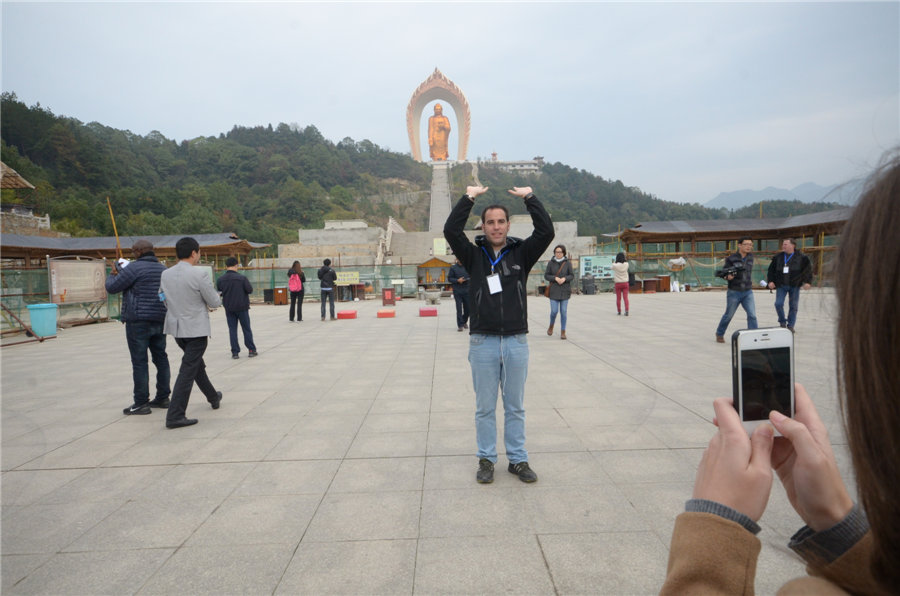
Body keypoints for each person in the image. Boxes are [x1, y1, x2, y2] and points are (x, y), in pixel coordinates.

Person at [660, 154, 900, 594]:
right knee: (745, 319)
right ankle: (734, 335)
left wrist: (714, 526)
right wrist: (838, 521)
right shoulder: (747, 260)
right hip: (742, 292)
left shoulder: (792, 259)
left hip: (757, 295)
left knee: (754, 325)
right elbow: (754, 272)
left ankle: (751, 339)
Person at [443, 185, 554, 484]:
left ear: (508, 224)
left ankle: (517, 460)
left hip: (516, 340)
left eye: (501, 221)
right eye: (490, 222)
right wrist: (468, 198)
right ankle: (487, 459)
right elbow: (451, 230)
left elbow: (546, 233)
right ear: (483, 225)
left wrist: (531, 197)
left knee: (515, 406)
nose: (495, 226)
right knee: (484, 407)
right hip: (483, 342)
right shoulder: (472, 255)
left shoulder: (522, 253)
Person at [159, 237, 223, 429]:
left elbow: (162, 297)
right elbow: (214, 302)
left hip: (177, 329)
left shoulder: (166, 274)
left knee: (195, 365)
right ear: (194, 253)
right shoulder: (199, 275)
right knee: (188, 370)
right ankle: (175, 415)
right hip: (196, 329)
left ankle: (213, 396)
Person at [105, 239, 171, 415]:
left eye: (133, 251)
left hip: (138, 320)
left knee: (140, 361)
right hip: (160, 318)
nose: (132, 254)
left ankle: (141, 402)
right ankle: (163, 397)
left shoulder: (133, 268)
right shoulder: (163, 269)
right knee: (161, 358)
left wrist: (113, 273)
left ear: (139, 251)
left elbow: (112, 288)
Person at [714, 236, 758, 343]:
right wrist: (728, 277)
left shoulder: (751, 257)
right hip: (734, 291)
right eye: (746, 244)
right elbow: (724, 272)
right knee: (729, 315)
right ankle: (719, 333)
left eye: (750, 245)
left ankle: (754, 336)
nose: (749, 247)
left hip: (748, 291)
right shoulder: (731, 259)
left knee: (752, 315)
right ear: (739, 245)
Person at [766, 238, 813, 332]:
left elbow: (807, 270)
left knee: (793, 306)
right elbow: (771, 270)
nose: (783, 246)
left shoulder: (802, 257)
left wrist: (807, 282)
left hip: (795, 285)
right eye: (783, 244)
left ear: (793, 245)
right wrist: (771, 281)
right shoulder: (778, 257)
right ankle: (782, 322)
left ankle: (791, 325)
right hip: (781, 285)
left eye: (786, 244)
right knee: (778, 304)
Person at [216, 257, 257, 359]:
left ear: (226, 266)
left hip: (229, 308)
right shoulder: (242, 278)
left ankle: (235, 352)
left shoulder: (220, 279)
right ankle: (251, 350)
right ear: (236, 265)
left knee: (232, 330)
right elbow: (250, 290)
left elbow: (219, 291)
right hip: (242, 307)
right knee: (246, 329)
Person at [544, 244, 574, 339]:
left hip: (565, 290)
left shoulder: (568, 263)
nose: (558, 254)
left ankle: (563, 331)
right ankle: (551, 326)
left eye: (560, 252)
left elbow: (572, 275)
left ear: (563, 253)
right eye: (556, 252)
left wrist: (565, 278)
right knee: (554, 311)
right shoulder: (551, 263)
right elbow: (546, 275)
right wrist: (555, 278)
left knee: (564, 312)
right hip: (554, 291)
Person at [448, 258, 470, 332]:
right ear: (457, 259)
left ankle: (464, 321)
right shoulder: (453, 268)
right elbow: (449, 278)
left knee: (468, 309)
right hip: (457, 291)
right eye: (459, 257)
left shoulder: (467, 267)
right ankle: (460, 325)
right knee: (459, 309)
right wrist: (457, 280)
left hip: (467, 290)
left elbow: (472, 276)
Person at [612, 252, 630, 316]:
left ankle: (619, 311)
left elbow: (612, 267)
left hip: (618, 284)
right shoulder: (626, 264)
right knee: (625, 298)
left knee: (618, 298)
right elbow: (625, 262)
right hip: (625, 283)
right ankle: (627, 310)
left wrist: (614, 262)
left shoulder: (615, 265)